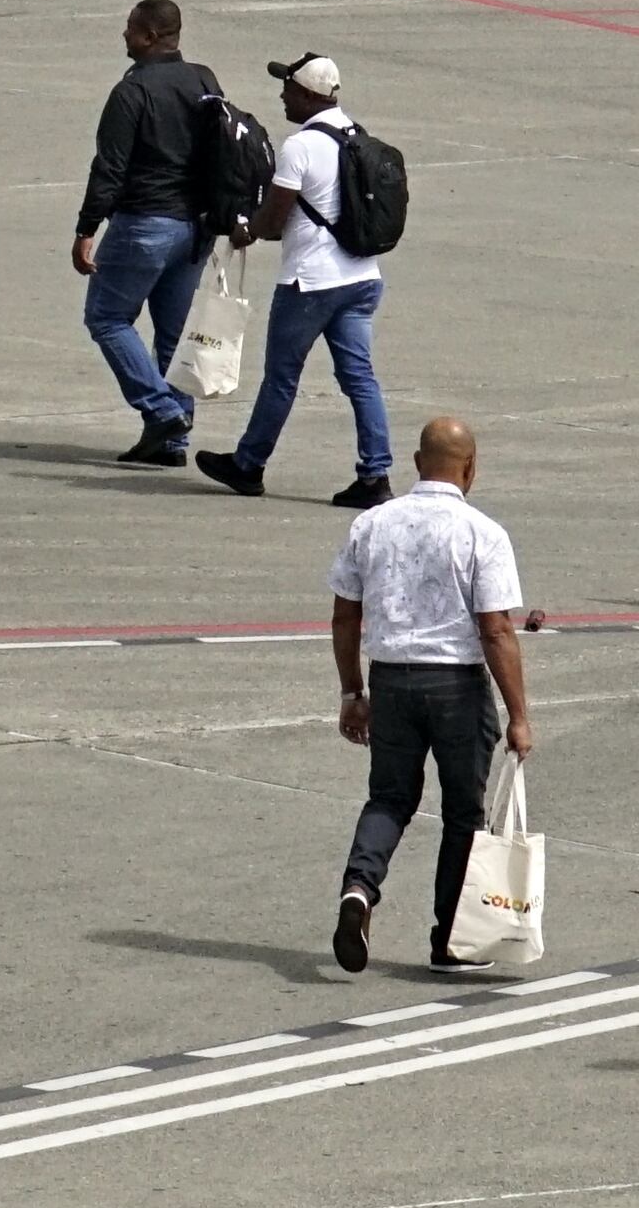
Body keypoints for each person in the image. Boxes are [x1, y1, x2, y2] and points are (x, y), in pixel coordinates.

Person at [328, 415, 529, 973]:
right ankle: (449, 941)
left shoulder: (373, 523)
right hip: (457, 688)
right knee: (463, 813)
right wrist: (519, 715)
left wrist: (353, 691)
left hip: (391, 679)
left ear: (417, 463)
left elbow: (346, 616)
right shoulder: (481, 533)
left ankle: (359, 889)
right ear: (471, 468)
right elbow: (496, 630)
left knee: (389, 798)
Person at [201, 50, 391, 508]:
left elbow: (274, 217)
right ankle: (375, 474)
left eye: (288, 88)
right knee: (360, 379)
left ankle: (248, 465)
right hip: (362, 278)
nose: (282, 96)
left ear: (309, 95)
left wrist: (245, 230)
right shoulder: (354, 134)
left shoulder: (301, 146)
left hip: (310, 284)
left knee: (281, 378)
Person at [72, 0, 227, 467]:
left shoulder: (131, 91)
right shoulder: (204, 79)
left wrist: (86, 228)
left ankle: (161, 411)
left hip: (146, 222)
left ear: (151, 36)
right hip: (195, 227)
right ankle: (172, 441)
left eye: (130, 28)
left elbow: (110, 167)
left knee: (107, 317)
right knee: (173, 333)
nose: (124, 34)